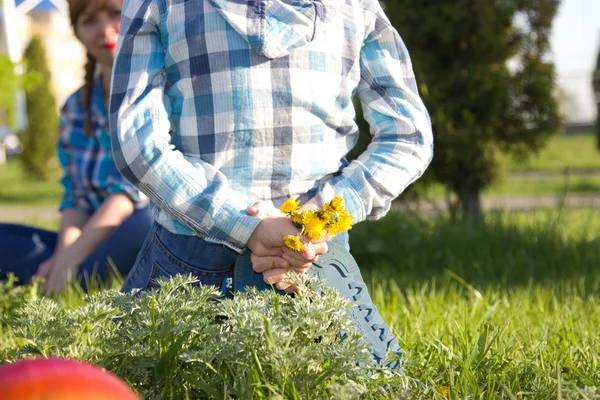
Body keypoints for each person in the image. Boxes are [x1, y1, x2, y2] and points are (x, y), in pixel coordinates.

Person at [110, 0, 433, 367]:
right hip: (314, 264)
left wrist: (246, 225)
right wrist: (313, 221)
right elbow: (410, 137)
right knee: (367, 386)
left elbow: (136, 141)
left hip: (186, 271)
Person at [0, 0, 152, 294]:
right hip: (91, 239)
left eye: (114, 14)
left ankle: (66, 279)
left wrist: (69, 260)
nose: (104, 31)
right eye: (89, 20)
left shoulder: (157, 93)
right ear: (77, 32)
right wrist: (61, 258)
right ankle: (70, 279)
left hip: (139, 233)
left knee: (144, 221)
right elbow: (78, 198)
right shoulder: (75, 107)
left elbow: (129, 193)